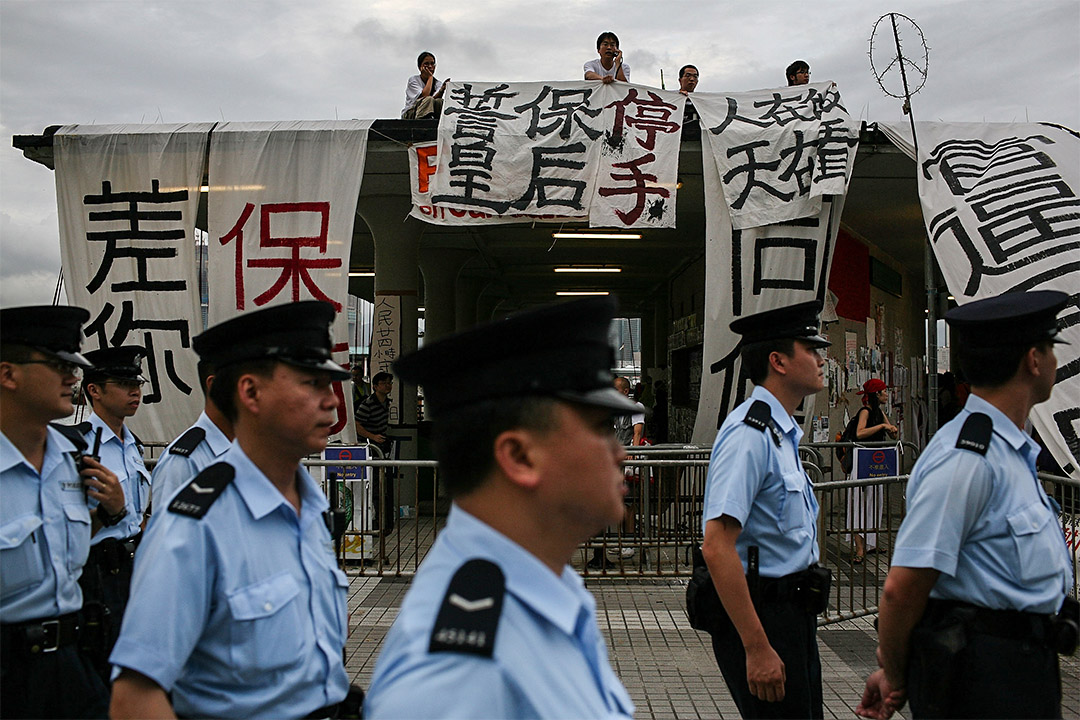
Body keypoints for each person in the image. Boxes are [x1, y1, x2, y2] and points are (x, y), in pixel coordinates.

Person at [364, 298, 639, 718]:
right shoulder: (458, 678)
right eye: (601, 428)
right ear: (520, 457)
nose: (621, 453)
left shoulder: (550, 585)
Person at [109, 301, 352, 719]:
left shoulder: (309, 502)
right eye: (312, 383)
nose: (332, 402)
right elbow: (135, 697)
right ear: (250, 392)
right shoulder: (195, 527)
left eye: (331, 384)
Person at [857, 290, 1075, 720]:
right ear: (1033, 359)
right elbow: (902, 588)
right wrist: (896, 673)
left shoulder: (1007, 449)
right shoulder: (967, 457)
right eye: (1050, 349)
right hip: (984, 675)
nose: (1054, 362)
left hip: (1026, 664)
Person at [701, 300, 830, 719]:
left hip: (794, 613)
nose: (821, 359)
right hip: (765, 618)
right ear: (779, 361)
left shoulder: (780, 432)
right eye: (811, 349)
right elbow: (717, 546)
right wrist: (756, 648)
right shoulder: (749, 435)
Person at [0, 305, 122, 719]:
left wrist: (113, 513)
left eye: (73, 365)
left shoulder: (72, 460)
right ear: (8, 374)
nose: (73, 377)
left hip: (73, 663)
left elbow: (63, 547)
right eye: (57, 365)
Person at [76, 345, 152, 666]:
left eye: (137, 385)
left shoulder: (132, 443)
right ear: (94, 390)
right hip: (98, 571)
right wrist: (113, 512)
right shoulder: (80, 445)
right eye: (123, 384)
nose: (134, 392)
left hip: (135, 566)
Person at [149, 358, 234, 517]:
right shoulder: (183, 462)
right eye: (246, 383)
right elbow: (168, 536)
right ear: (215, 386)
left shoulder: (253, 452)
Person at [845, 378, 899, 564]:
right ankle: (860, 548)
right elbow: (860, 433)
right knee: (859, 504)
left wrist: (891, 430)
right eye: (884, 391)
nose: (886, 394)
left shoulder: (879, 412)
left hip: (875, 465)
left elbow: (890, 431)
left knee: (875, 503)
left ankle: (871, 542)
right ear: (876, 394)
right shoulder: (865, 411)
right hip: (861, 464)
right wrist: (883, 426)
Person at [356, 370, 396, 534]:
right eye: (384, 383)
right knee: (373, 484)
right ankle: (375, 520)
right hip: (370, 446)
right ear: (374, 387)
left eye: (389, 383)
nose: (388, 386)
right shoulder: (368, 404)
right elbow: (357, 424)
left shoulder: (386, 402)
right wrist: (373, 436)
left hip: (381, 445)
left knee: (381, 484)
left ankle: (381, 520)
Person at [402, 51, 449, 119]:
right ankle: (422, 121)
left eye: (432, 64)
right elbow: (425, 96)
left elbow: (435, 99)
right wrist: (430, 77)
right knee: (428, 99)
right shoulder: (413, 80)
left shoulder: (438, 83)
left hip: (430, 111)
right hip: (411, 114)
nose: (430, 66)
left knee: (439, 101)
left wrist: (442, 90)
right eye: (426, 64)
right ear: (420, 66)